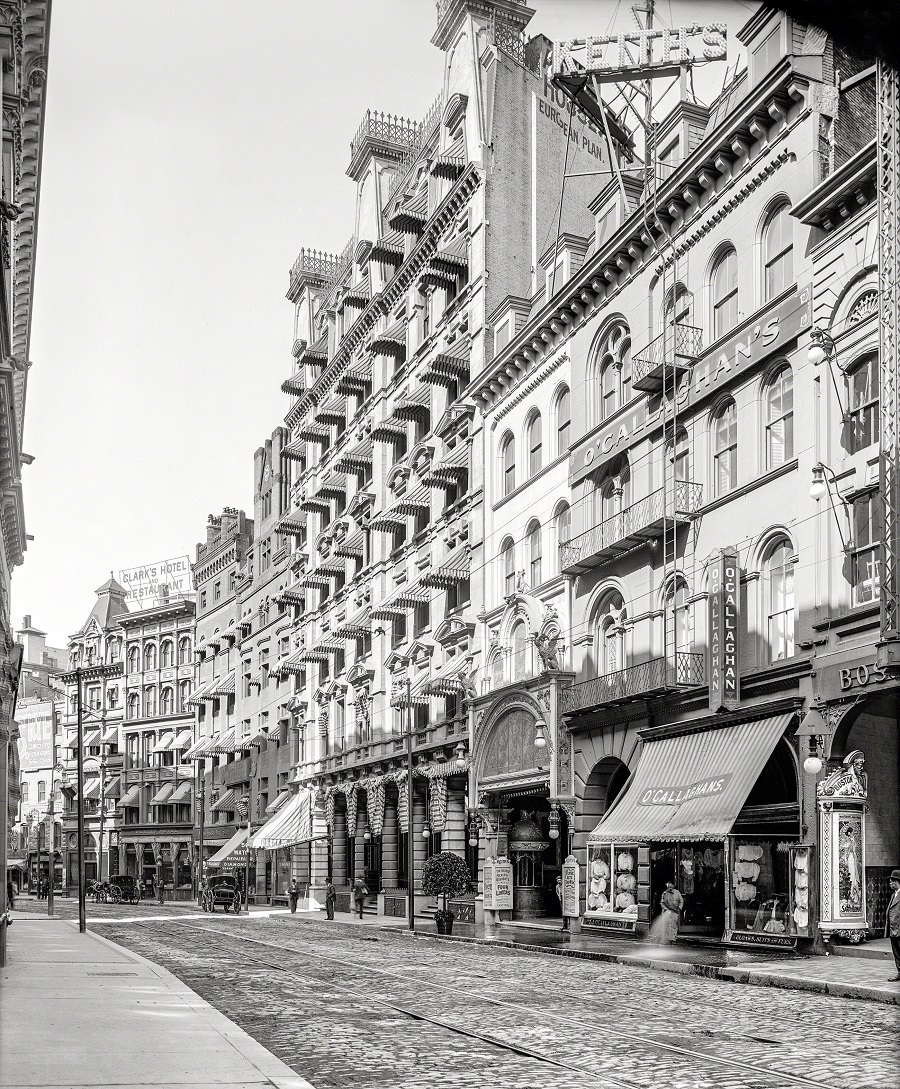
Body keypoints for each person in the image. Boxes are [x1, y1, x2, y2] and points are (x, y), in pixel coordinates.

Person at [886, 868, 900, 982]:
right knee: (896, 953)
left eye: (891, 882)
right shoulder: (893, 895)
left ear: (897, 882)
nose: (890, 884)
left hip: (899, 929)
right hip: (893, 930)